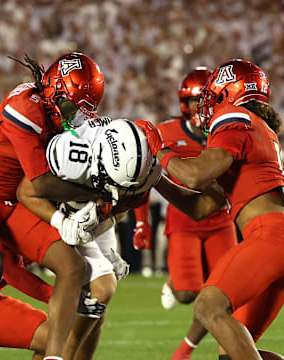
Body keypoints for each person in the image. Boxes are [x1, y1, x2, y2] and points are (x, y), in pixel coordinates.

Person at [0, 52, 107, 360]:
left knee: (73, 268)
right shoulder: (25, 108)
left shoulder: (52, 109)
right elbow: (42, 183)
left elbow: (31, 187)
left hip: (12, 200)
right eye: (71, 106)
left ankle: (54, 357)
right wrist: (98, 191)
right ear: (54, 90)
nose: (74, 117)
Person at [136, 59, 284, 360]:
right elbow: (204, 206)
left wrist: (158, 149)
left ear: (227, 93)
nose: (207, 104)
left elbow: (196, 174)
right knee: (231, 353)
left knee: (208, 306)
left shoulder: (234, 117)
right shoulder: (255, 127)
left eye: (212, 95)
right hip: (274, 236)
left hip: (269, 234)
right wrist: (156, 179)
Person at [16, 118, 162, 359]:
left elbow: (120, 204)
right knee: (102, 289)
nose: (116, 190)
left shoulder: (143, 168)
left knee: (97, 305)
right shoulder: (70, 152)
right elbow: (26, 191)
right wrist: (61, 222)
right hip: (60, 208)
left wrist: (104, 226)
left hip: (91, 214)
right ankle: (61, 355)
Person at [133, 67, 238, 360]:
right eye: (194, 101)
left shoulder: (229, 129)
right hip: (184, 218)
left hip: (221, 220)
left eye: (206, 99)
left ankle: (183, 352)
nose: (200, 107)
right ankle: (174, 283)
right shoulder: (166, 132)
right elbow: (142, 174)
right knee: (187, 294)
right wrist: (142, 221)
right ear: (184, 103)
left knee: (224, 296)